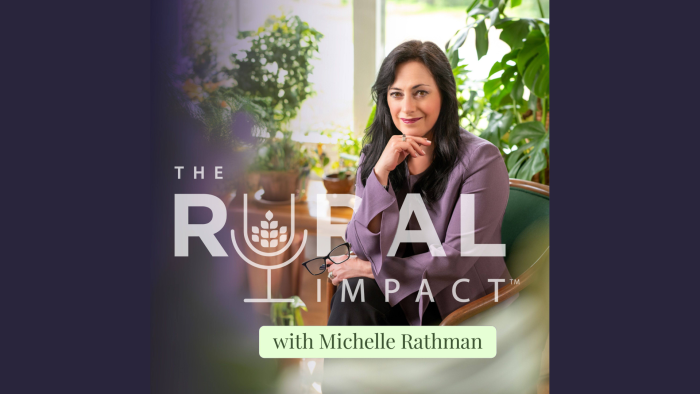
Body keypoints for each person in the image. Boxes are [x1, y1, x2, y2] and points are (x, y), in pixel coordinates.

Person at [326, 40, 512, 327]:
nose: (407, 107)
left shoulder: (481, 160)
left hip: (461, 308)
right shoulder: (377, 155)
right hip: (402, 300)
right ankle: (347, 376)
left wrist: (370, 270)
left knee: (361, 285)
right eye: (396, 94)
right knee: (355, 293)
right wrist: (380, 174)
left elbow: (454, 260)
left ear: (444, 96)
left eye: (421, 93)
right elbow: (361, 247)